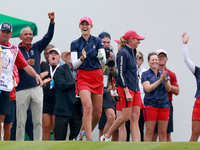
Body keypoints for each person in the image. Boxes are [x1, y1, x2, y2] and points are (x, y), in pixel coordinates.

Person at [0, 22, 43, 141]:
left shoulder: (14, 49)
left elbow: (25, 66)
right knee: (1, 118)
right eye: (3, 31)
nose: (5, 34)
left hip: (8, 88)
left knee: (8, 121)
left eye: (7, 32)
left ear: (11, 34)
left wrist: (36, 75)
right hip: (5, 88)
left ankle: (5, 145)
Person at [16, 12, 55, 141]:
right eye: (26, 34)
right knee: (20, 121)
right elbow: (15, 70)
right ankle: (18, 145)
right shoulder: (16, 51)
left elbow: (48, 37)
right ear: (20, 37)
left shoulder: (37, 47)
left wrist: (52, 22)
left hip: (37, 88)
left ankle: (37, 145)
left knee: (37, 120)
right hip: (21, 89)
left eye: (30, 34)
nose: (29, 36)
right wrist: (26, 64)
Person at [100, 30, 145, 142]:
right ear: (130, 40)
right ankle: (106, 136)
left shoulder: (133, 52)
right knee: (126, 117)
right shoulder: (123, 53)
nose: (139, 41)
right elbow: (120, 73)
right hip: (127, 88)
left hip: (135, 88)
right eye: (137, 39)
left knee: (135, 117)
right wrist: (126, 91)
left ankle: (137, 145)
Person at [71, 16, 106, 141]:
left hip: (96, 76)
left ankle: (81, 134)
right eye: (82, 24)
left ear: (91, 26)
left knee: (97, 114)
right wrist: (82, 59)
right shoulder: (75, 43)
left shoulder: (97, 41)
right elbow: (74, 64)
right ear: (79, 26)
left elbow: (104, 60)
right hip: (83, 76)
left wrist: (101, 57)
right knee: (87, 107)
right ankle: (89, 140)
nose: (85, 26)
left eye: (87, 24)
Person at [53, 48, 82, 140]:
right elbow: (62, 85)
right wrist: (77, 82)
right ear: (66, 57)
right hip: (63, 108)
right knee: (59, 138)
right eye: (70, 54)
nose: (73, 57)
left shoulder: (81, 70)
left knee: (75, 140)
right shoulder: (60, 70)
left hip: (77, 109)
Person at [142, 52, 171, 142]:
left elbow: (168, 88)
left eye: (156, 60)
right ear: (148, 61)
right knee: (149, 131)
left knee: (163, 132)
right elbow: (148, 88)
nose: (155, 61)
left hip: (164, 105)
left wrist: (165, 79)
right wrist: (160, 80)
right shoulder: (145, 74)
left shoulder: (164, 73)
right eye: (152, 60)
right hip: (151, 105)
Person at [152, 49, 179, 142]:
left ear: (167, 59)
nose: (161, 58)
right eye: (159, 56)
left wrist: (166, 82)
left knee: (166, 134)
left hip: (167, 104)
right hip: (153, 104)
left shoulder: (171, 74)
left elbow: (177, 91)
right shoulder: (151, 73)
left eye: (163, 56)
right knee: (153, 134)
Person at [97, 31, 118, 141]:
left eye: (108, 42)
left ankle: (103, 141)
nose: (106, 45)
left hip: (106, 90)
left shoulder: (112, 55)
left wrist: (112, 69)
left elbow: (115, 75)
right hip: (94, 89)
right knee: (92, 118)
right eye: (104, 42)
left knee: (111, 117)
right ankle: (83, 136)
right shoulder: (94, 53)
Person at [182, 32, 200, 141]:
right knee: (195, 133)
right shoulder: (198, 71)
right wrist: (185, 44)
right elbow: (186, 60)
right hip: (199, 102)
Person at [41, 47, 61, 140]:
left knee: (56, 129)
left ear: (59, 57)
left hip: (57, 102)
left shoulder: (62, 69)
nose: (53, 55)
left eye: (55, 53)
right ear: (48, 57)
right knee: (45, 128)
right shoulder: (43, 68)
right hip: (45, 101)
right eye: (51, 53)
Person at [137, 51, 147, 141]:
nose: (137, 59)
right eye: (136, 57)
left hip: (142, 104)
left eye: (139, 58)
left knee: (140, 128)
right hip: (130, 104)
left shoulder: (145, 72)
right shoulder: (128, 70)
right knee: (127, 128)